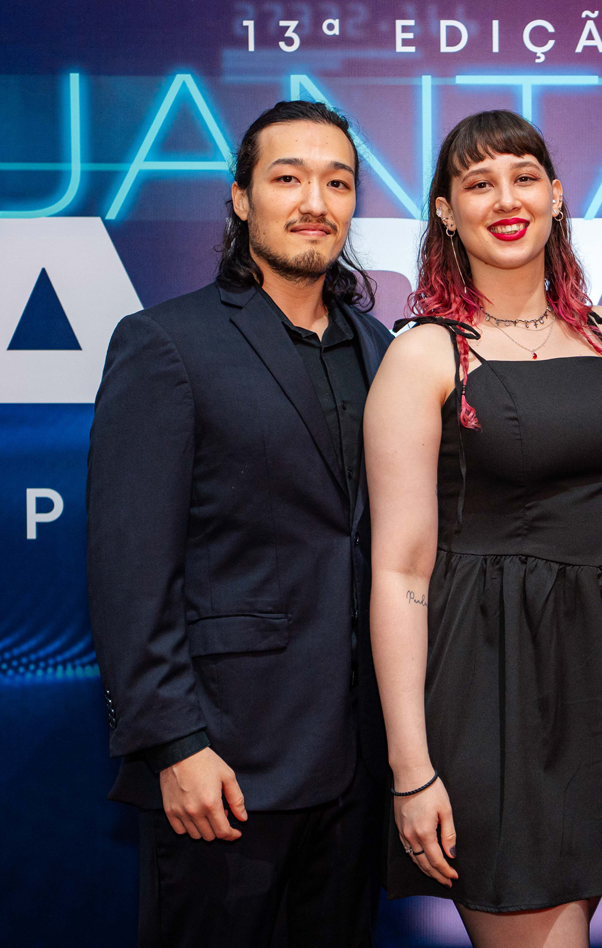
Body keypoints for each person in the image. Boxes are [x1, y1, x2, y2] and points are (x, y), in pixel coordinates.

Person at [365, 110, 602, 947]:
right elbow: (399, 572)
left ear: (557, 195)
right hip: (486, 685)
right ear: (446, 211)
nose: (506, 200)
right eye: (479, 183)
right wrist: (411, 767)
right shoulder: (424, 355)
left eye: (524, 176)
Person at [87, 100, 394, 948]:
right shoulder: (166, 344)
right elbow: (129, 570)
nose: (314, 202)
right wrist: (172, 744)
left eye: (337, 183)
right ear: (240, 197)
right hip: (225, 766)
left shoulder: (384, 349)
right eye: (288, 178)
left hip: (360, 768)